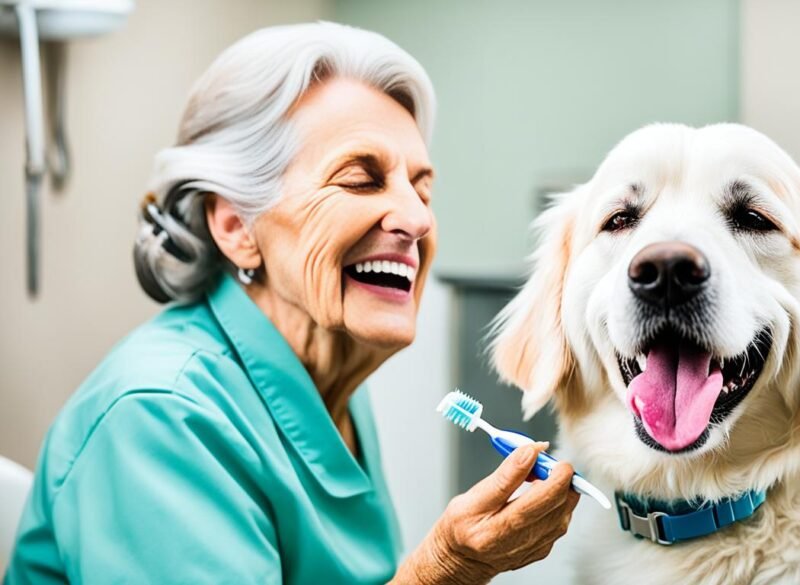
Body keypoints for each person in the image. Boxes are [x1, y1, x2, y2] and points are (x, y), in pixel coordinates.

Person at [4, 22, 579, 584]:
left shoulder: (331, 376)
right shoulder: (157, 417)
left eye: (421, 188)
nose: (417, 218)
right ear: (235, 226)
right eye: (360, 180)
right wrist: (447, 571)